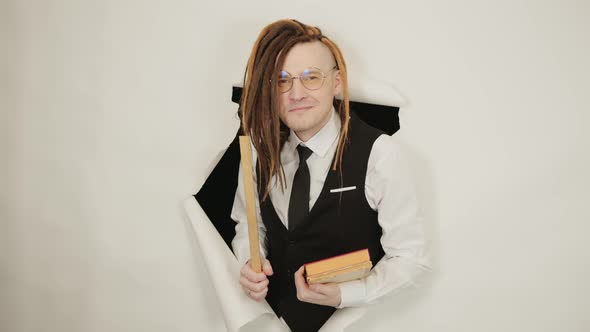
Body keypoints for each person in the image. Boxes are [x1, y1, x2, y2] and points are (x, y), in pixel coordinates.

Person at [230, 19, 429, 332]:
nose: (296, 93)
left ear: (336, 82)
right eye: (282, 81)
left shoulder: (380, 154)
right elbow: (248, 224)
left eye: (311, 78)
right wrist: (247, 263)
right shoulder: (258, 152)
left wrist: (344, 294)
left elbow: (410, 258)